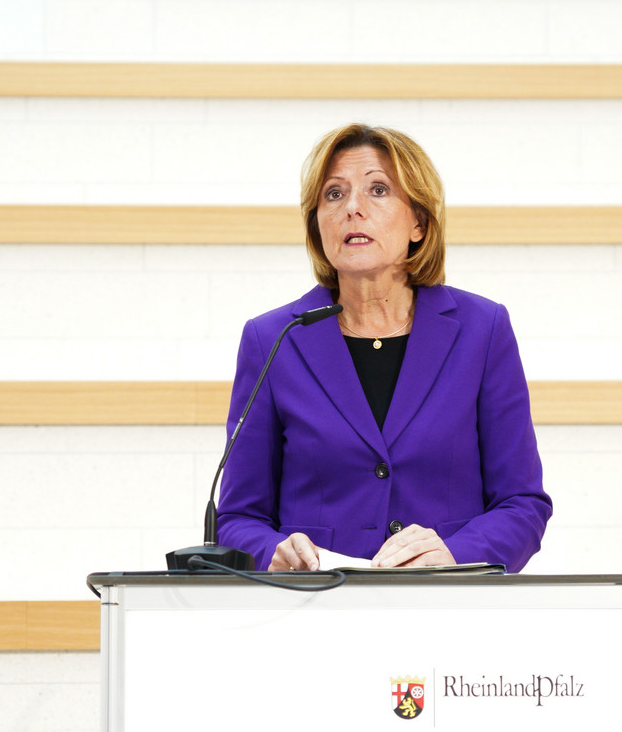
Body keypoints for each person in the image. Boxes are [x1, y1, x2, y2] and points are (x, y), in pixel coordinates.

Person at [216, 123, 552, 572]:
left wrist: (457, 554)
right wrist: (270, 552)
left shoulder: (482, 330)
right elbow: (238, 517)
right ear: (317, 224)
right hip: (314, 611)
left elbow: (522, 503)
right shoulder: (272, 339)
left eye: (378, 190)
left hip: (446, 609)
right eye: (334, 194)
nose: (353, 208)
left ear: (418, 222)